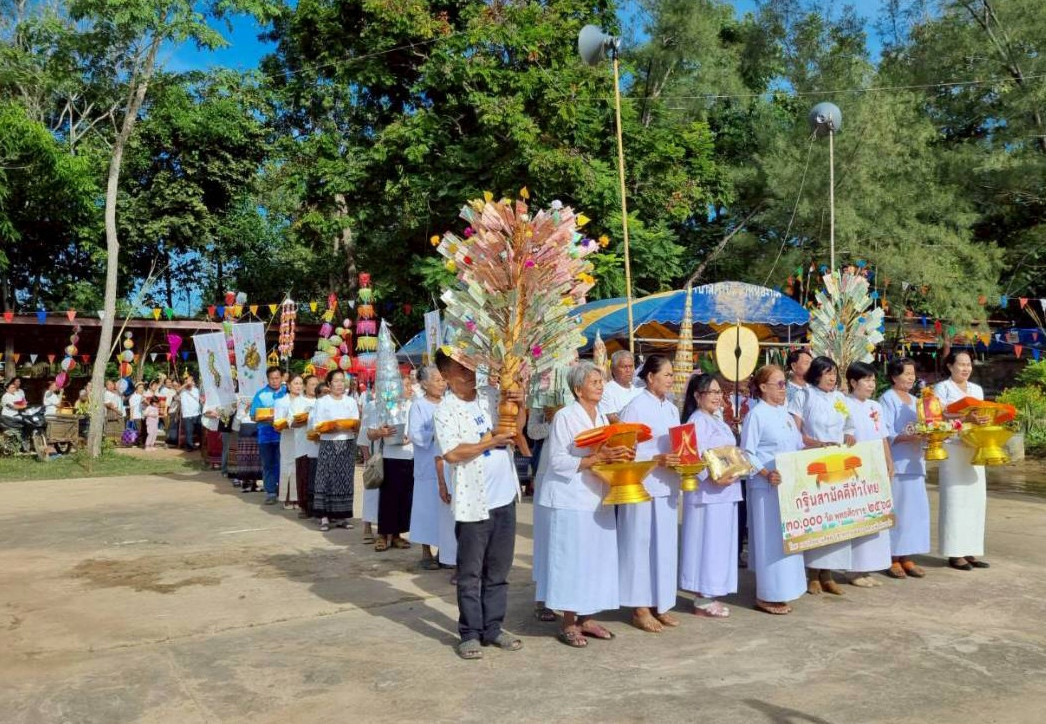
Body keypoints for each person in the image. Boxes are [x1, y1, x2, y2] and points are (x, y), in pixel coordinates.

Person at [434, 348, 524, 660]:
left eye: (471, 367)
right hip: (474, 502)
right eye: (461, 369)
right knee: (471, 572)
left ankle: (494, 627)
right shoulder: (445, 410)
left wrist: (519, 402)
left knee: (499, 569)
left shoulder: (488, 396)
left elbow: (515, 427)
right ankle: (470, 632)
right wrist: (490, 441)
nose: (469, 374)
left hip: (504, 497)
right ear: (445, 376)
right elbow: (452, 453)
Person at [537, 361, 624, 647]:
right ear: (578, 389)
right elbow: (558, 461)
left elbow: (605, 452)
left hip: (598, 496)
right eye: (594, 382)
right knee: (571, 561)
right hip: (570, 498)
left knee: (595, 560)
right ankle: (569, 621)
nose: (600, 386)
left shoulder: (602, 418)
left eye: (601, 381)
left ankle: (588, 617)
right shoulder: (565, 416)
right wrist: (594, 460)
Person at [617, 354, 682, 633]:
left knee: (664, 547)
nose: (670, 379)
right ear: (650, 377)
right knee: (639, 544)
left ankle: (661, 602)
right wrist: (657, 458)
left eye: (672, 375)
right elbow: (625, 451)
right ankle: (639, 606)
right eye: (666, 374)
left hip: (666, 485)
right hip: (642, 484)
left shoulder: (671, 409)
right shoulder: (634, 408)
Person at [741, 365, 807, 614]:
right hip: (766, 487)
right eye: (779, 384)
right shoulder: (756, 414)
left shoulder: (786, 415)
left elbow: (798, 445)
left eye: (785, 384)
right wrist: (767, 473)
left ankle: (788, 588)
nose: (784, 389)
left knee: (788, 538)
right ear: (763, 387)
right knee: (770, 540)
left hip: (789, 486)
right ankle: (767, 594)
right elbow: (747, 452)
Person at [679, 373, 743, 618]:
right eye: (712, 392)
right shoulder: (697, 421)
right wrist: (713, 476)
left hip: (726, 490)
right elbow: (693, 455)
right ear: (697, 396)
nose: (718, 396)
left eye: (719, 392)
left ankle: (711, 594)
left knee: (719, 545)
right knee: (707, 545)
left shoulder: (717, 419)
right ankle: (703, 598)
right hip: (708, 493)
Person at [799, 356, 856, 595]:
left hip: (838, 462)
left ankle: (828, 572)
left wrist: (849, 435)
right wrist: (817, 444)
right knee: (817, 519)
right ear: (816, 374)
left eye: (834, 373)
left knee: (837, 518)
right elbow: (796, 430)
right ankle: (812, 572)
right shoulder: (805, 395)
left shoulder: (840, 398)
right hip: (813, 460)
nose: (832, 377)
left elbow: (848, 425)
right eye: (826, 373)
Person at [934, 350, 991, 571]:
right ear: (950, 366)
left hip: (974, 447)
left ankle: (971, 549)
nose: (966, 368)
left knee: (975, 501)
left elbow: (982, 415)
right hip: (953, 448)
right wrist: (963, 418)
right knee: (955, 500)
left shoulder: (977, 389)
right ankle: (954, 552)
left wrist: (984, 420)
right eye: (961, 364)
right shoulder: (942, 388)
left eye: (969, 364)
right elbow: (937, 418)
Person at [843, 361, 894, 587]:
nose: (871, 384)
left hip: (876, 466)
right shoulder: (844, 404)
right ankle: (854, 569)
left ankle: (870, 566)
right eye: (866, 380)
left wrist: (888, 460)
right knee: (858, 516)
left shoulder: (876, 406)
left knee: (875, 515)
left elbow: (882, 435)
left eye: (873, 380)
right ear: (853, 382)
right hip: (856, 466)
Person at [879, 357, 929, 578]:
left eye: (912, 373)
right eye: (906, 373)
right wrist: (908, 436)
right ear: (893, 376)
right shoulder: (886, 399)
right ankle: (892, 557)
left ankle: (908, 555)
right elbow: (885, 433)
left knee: (914, 513)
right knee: (897, 510)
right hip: (897, 462)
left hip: (915, 462)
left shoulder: (916, 400)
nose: (911, 377)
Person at [409, 365, 448, 569]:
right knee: (426, 508)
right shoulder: (418, 405)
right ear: (424, 383)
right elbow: (415, 434)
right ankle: (426, 551)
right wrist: (435, 432)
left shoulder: (449, 403)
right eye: (437, 380)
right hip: (427, 464)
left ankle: (445, 550)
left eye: (443, 380)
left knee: (445, 508)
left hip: (447, 464)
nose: (442, 384)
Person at [368, 382, 415, 552]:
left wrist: (410, 438)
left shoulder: (414, 405)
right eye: (406, 386)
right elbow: (370, 433)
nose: (410, 388)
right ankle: (382, 535)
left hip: (410, 456)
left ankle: (397, 535)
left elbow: (420, 430)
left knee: (405, 498)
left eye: (411, 385)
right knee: (388, 498)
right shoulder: (384, 407)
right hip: (389, 456)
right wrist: (381, 433)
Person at [312, 369, 360, 532]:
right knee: (326, 478)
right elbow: (317, 425)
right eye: (336, 381)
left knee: (345, 479)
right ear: (329, 384)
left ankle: (343, 516)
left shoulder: (350, 402)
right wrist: (333, 427)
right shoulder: (322, 402)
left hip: (347, 443)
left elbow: (356, 423)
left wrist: (348, 426)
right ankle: (324, 517)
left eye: (342, 381)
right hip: (328, 443)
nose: (340, 384)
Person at [527, 402, 555, 622]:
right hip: (549, 469)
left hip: (584, 473)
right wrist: (556, 420)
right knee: (547, 538)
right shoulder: (542, 399)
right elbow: (532, 431)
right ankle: (543, 598)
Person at [251, 367, 287, 505]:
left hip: (283, 435)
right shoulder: (260, 394)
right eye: (272, 378)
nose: (274, 381)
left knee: (283, 463)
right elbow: (253, 416)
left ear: (282, 378)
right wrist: (269, 417)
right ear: (267, 379)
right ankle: (271, 492)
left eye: (277, 378)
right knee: (268, 464)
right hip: (265, 435)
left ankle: (283, 490)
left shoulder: (287, 392)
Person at [293, 375, 320, 519]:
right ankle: (304, 507)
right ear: (305, 386)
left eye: (317, 384)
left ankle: (317, 507)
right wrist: (306, 418)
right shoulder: (297, 401)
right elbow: (291, 422)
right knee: (303, 476)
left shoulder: (321, 401)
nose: (314, 387)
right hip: (303, 444)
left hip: (317, 446)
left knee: (316, 478)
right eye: (311, 384)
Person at [274, 375, 303, 509]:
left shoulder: (305, 401)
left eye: (300, 383)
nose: (298, 386)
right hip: (287, 437)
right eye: (295, 383)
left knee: (299, 466)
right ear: (289, 386)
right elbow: (277, 422)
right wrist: (289, 424)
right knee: (287, 466)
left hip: (301, 438)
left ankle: (297, 497)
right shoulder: (281, 402)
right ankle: (286, 498)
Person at [359, 397, 381, 544]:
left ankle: (385, 531)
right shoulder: (371, 406)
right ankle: (367, 526)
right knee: (371, 491)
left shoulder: (401, 405)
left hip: (393, 455)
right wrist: (367, 456)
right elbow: (363, 432)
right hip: (374, 455)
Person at [598, 350, 641, 423]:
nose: (628, 370)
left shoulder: (638, 389)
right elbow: (611, 418)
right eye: (624, 367)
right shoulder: (607, 391)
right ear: (613, 369)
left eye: (631, 366)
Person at [785, 348, 813, 426]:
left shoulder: (815, 389)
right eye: (807, 363)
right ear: (794, 366)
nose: (811, 367)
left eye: (812, 364)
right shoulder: (784, 392)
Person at [179, 376, 201, 451]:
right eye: (187, 381)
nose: (189, 382)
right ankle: (189, 446)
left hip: (197, 413)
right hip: (187, 415)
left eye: (190, 381)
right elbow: (177, 391)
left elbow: (200, 398)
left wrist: (191, 384)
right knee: (189, 431)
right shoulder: (182, 391)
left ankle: (200, 445)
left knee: (199, 430)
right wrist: (185, 384)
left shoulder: (196, 390)